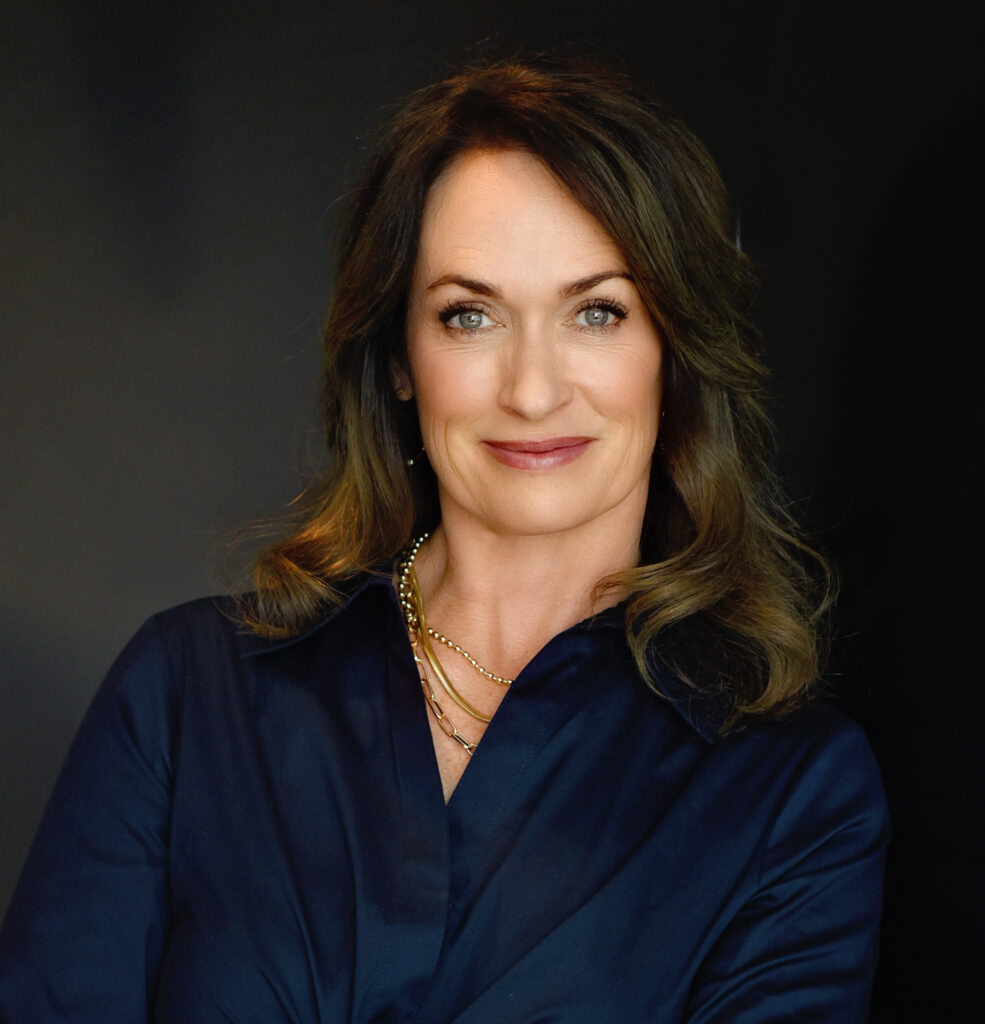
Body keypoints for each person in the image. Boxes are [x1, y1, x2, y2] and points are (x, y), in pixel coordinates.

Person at [0, 57, 889, 1022]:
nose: (532, 390)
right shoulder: (185, 693)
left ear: (671, 354)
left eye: (596, 312)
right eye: (470, 316)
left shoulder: (794, 794)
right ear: (398, 357)